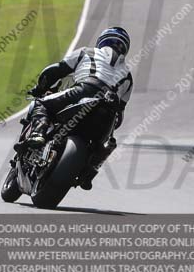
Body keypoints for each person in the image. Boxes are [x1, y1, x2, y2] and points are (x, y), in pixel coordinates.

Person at [25, 27, 133, 190]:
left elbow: (55, 70)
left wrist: (41, 88)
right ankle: (89, 171)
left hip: (85, 90)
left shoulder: (87, 52)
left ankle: (38, 134)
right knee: (107, 143)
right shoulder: (128, 77)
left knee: (42, 103)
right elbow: (120, 117)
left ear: (102, 40)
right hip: (109, 111)